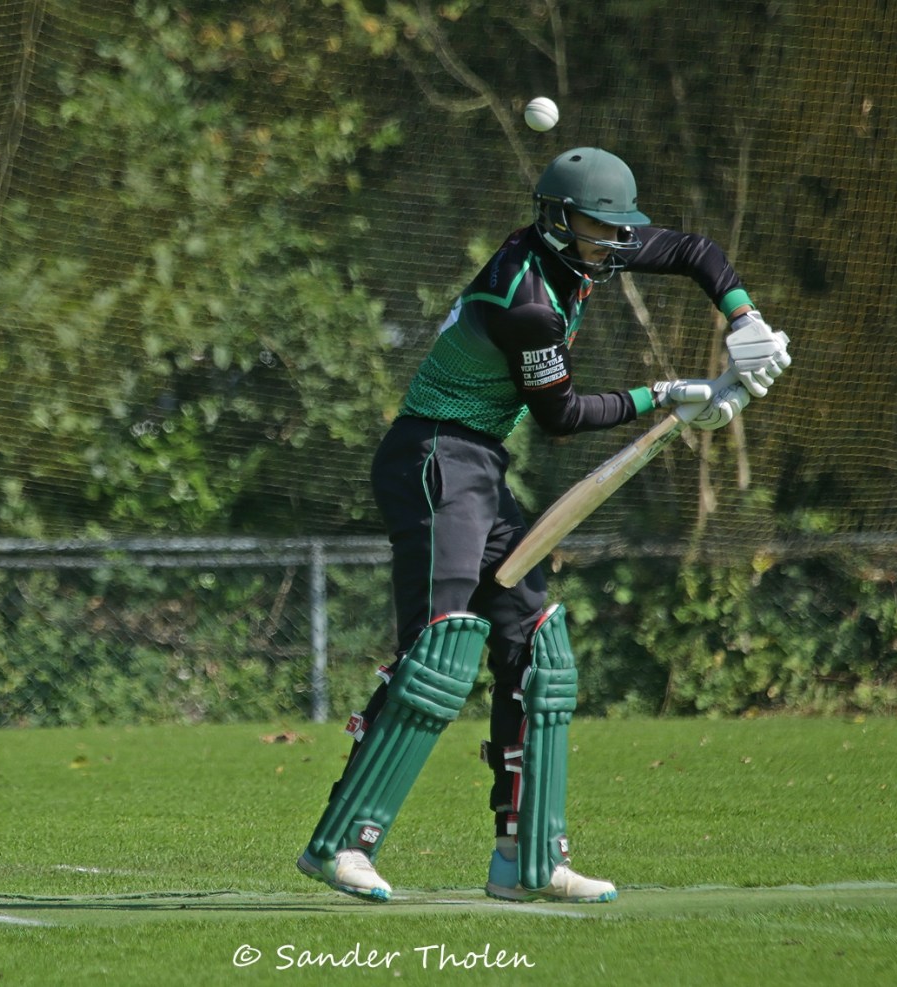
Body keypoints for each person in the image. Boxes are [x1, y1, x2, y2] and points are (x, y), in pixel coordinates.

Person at [296, 147, 791, 904]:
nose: (616, 242)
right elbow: (560, 416)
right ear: (559, 220)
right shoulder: (525, 298)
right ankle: (342, 843)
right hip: (434, 454)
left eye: (621, 229)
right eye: (600, 227)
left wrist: (744, 316)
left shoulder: (594, 247)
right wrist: (665, 394)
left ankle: (525, 858)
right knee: (437, 650)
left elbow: (694, 250)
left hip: (479, 463)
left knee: (535, 648)